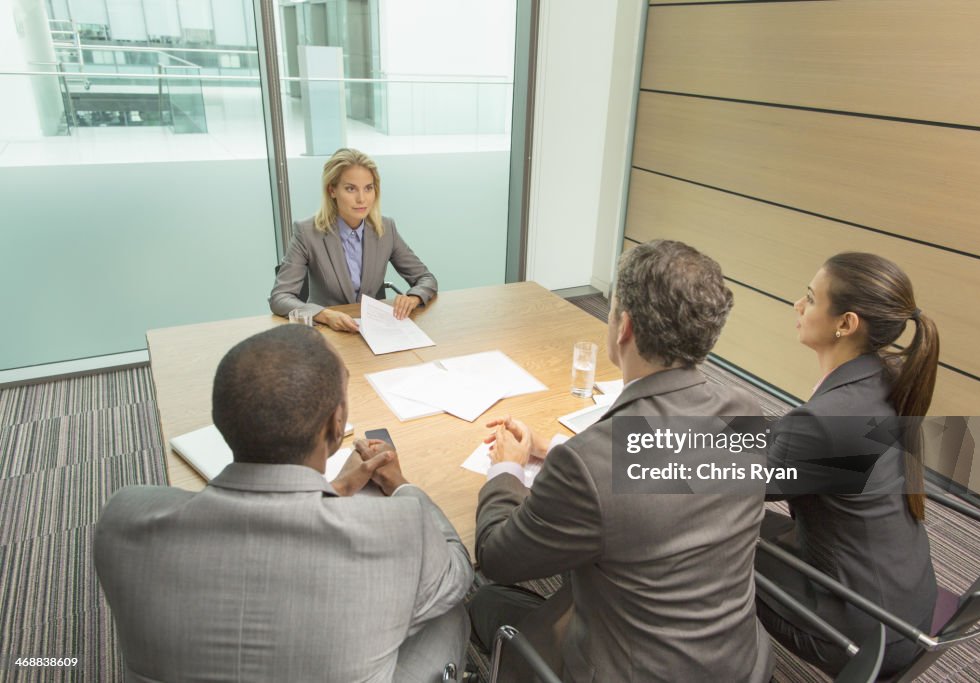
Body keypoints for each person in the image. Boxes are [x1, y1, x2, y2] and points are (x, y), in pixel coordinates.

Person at [468, 240, 775, 682]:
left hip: (633, 670)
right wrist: (552, 449)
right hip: (738, 661)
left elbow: (497, 557)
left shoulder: (589, 463)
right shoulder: (743, 408)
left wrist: (507, 469)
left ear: (623, 326)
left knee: (486, 600)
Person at [93, 325, 472, 682]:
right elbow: (457, 572)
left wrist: (336, 489)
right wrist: (403, 486)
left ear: (221, 418)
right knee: (449, 609)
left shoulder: (123, 517)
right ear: (336, 425)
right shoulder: (398, 527)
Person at [756, 252, 939, 677]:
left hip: (861, 634)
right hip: (906, 608)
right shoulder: (885, 379)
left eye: (810, 298)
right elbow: (795, 450)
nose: (797, 307)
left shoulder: (828, 421)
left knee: (696, 534)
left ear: (846, 323)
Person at [270, 148, 438, 332]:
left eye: (368, 188)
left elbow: (426, 278)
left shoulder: (385, 228)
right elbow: (280, 297)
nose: (361, 199)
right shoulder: (307, 232)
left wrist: (413, 297)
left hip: (374, 331)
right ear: (332, 190)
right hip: (327, 333)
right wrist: (325, 315)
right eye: (350, 189)